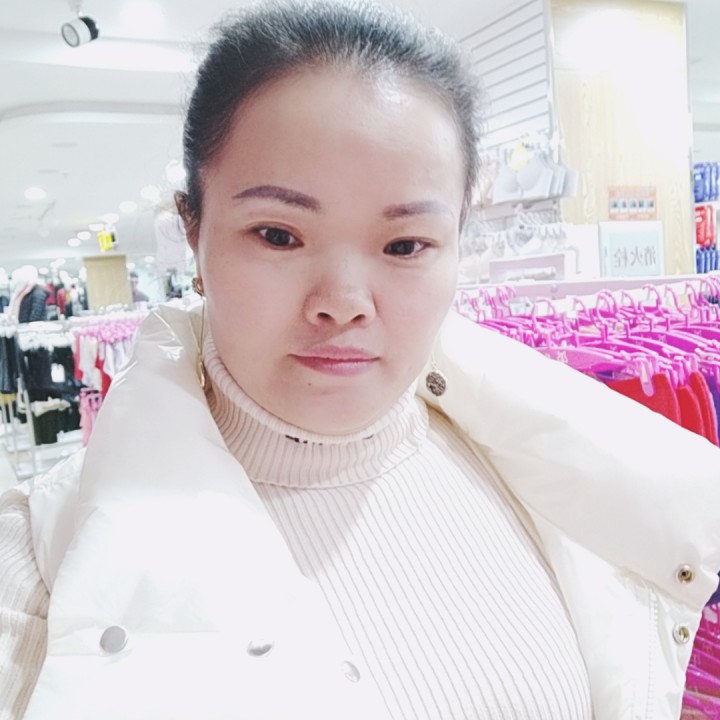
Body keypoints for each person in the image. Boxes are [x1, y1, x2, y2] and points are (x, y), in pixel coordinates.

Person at [1, 2, 719, 719]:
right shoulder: (44, 568)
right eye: (278, 235)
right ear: (193, 229)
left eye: (405, 245)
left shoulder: (558, 484)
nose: (342, 303)